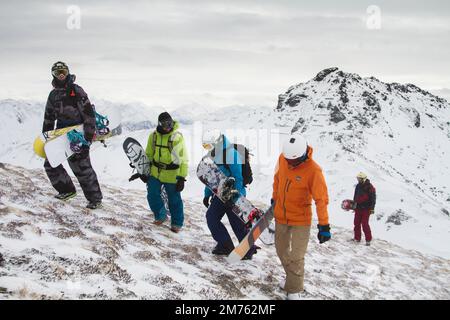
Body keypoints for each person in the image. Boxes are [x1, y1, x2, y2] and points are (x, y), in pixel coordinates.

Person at [272, 133, 330, 300]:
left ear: (303, 154)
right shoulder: (283, 158)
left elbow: (321, 200)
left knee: (296, 256)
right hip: (281, 216)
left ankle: (294, 290)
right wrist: (275, 197)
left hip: (301, 219)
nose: (290, 164)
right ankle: (291, 279)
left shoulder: (314, 170)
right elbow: (277, 180)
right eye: (288, 160)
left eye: (293, 161)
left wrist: (324, 225)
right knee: (281, 250)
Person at [42, 61, 103, 209]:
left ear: (68, 72)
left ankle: (95, 200)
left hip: (79, 135)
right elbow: (49, 117)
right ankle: (67, 191)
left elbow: (89, 115)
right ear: (53, 75)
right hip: (61, 136)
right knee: (50, 164)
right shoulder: (53, 95)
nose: (61, 75)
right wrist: (46, 139)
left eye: (63, 71)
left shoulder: (76, 91)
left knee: (81, 168)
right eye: (58, 73)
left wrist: (87, 139)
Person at [202, 129, 257, 260]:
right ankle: (225, 245)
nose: (208, 149)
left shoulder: (231, 154)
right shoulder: (213, 155)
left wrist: (236, 197)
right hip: (221, 194)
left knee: (237, 223)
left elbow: (238, 178)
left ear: (216, 142)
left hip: (235, 194)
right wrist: (207, 194)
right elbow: (212, 177)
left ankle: (248, 250)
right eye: (205, 146)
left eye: (209, 146)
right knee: (211, 217)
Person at [145, 112, 188, 233]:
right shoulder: (153, 136)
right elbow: (148, 154)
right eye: (164, 124)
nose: (167, 126)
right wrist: (144, 171)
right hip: (155, 171)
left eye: (169, 123)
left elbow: (183, 159)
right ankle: (160, 215)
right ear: (159, 124)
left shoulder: (176, 137)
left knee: (174, 199)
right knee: (152, 194)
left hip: (172, 174)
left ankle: (176, 223)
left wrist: (181, 178)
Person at [352, 172, 376, 246]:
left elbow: (373, 199)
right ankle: (357, 238)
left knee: (365, 224)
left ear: (363, 179)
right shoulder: (358, 186)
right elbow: (355, 196)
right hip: (358, 208)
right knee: (356, 223)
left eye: (359, 178)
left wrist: (372, 208)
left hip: (366, 209)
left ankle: (368, 240)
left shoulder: (370, 187)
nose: (358, 180)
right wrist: (354, 206)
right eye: (357, 178)